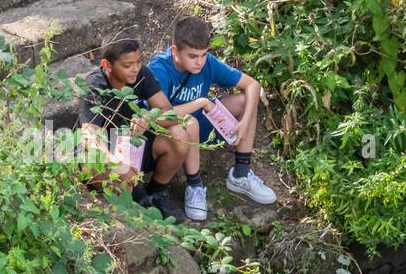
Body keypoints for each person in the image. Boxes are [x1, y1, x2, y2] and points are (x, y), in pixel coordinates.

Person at [147, 16, 277, 222]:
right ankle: (195, 185)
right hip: (171, 132)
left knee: (246, 101)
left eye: (203, 55)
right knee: (190, 122)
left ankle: (241, 173)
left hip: (204, 124)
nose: (199, 62)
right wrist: (200, 102)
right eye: (192, 56)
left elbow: (252, 85)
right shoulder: (159, 69)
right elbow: (159, 115)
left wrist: (244, 123)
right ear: (175, 51)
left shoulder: (207, 64)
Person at [77, 37, 205, 222]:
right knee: (96, 164)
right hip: (108, 154)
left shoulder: (141, 74)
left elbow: (169, 113)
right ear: (107, 65)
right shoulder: (95, 86)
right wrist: (114, 163)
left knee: (179, 134)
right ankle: (138, 204)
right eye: (128, 65)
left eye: (138, 62)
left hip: (135, 146)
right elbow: (90, 136)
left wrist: (149, 117)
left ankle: (157, 193)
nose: (135, 68)